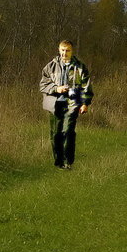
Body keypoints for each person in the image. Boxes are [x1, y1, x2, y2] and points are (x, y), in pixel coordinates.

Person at [39, 40, 93, 169]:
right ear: (59, 50)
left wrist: (85, 103)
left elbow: (86, 86)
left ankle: (68, 162)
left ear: (72, 51)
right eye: (63, 50)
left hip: (73, 103)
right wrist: (56, 88)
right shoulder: (50, 66)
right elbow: (43, 85)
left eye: (67, 50)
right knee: (55, 134)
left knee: (68, 132)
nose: (65, 53)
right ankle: (59, 162)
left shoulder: (80, 67)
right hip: (54, 104)